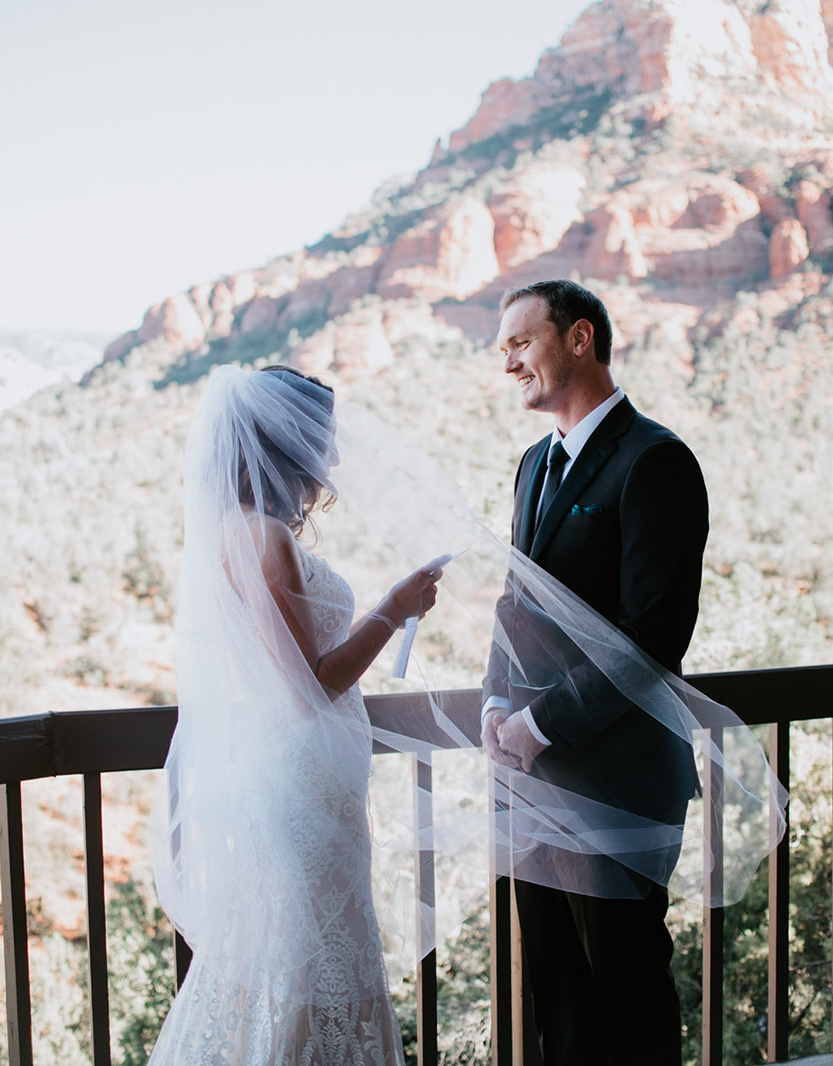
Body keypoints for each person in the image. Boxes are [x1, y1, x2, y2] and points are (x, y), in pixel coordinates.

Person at [149, 364, 446, 1066]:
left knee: (305, 960)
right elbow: (308, 686)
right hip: (296, 787)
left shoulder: (245, 530)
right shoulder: (261, 537)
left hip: (307, 780)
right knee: (303, 967)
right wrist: (393, 609)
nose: (334, 458)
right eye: (323, 440)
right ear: (285, 444)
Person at [482, 279, 708, 1065]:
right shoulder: (531, 465)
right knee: (558, 992)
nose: (508, 362)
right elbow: (519, 607)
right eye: (502, 349)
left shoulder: (655, 461)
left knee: (627, 993)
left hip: (618, 782)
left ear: (580, 339)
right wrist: (493, 705)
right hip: (529, 781)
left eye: (521, 343)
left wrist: (540, 723)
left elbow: (653, 636)